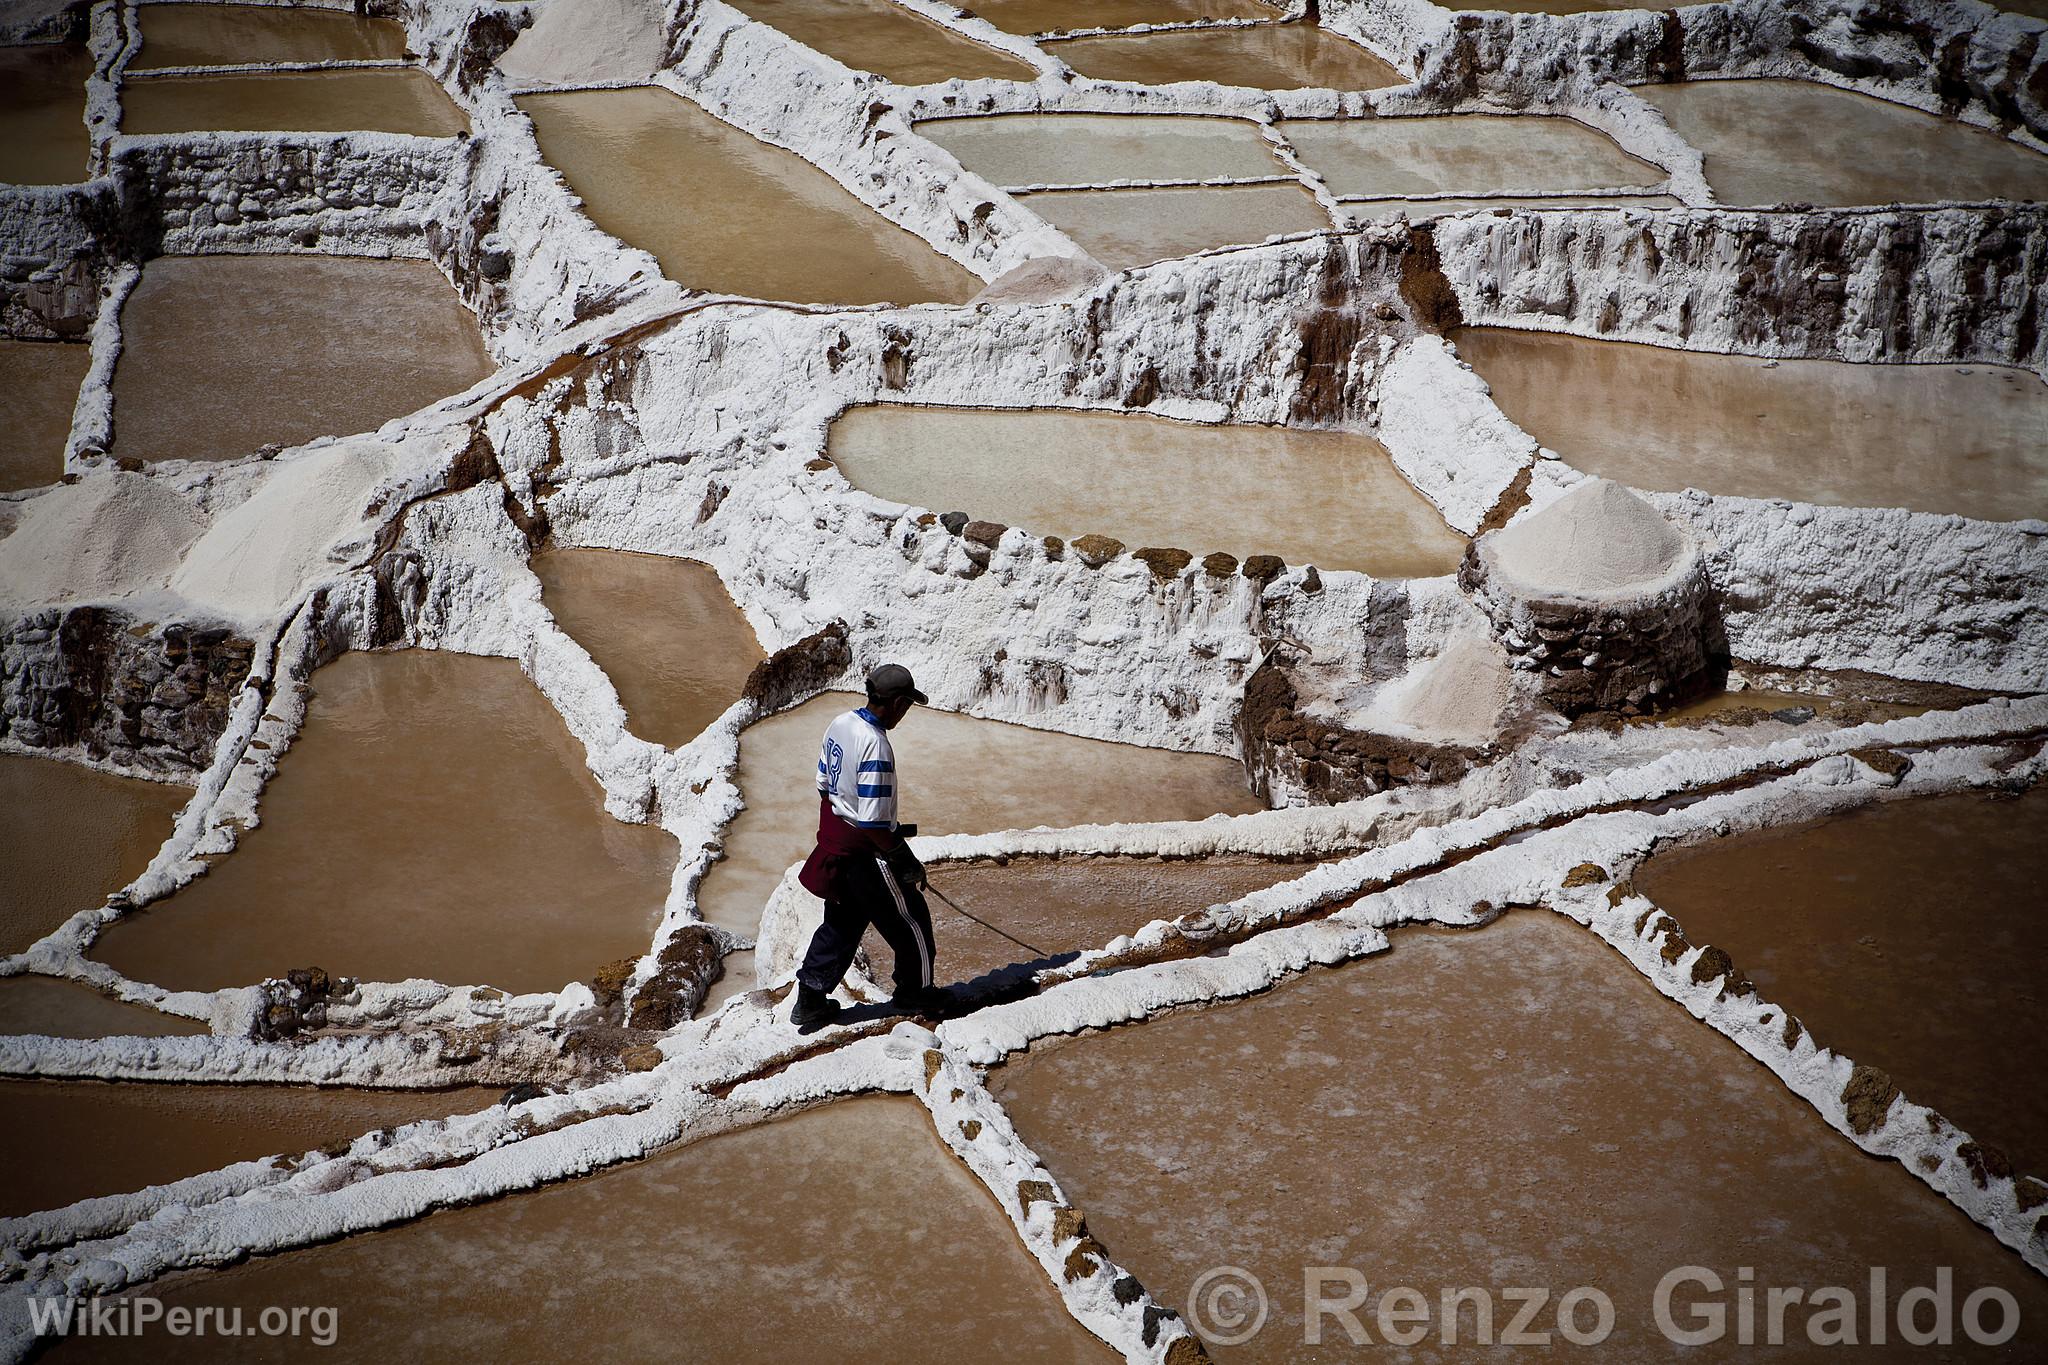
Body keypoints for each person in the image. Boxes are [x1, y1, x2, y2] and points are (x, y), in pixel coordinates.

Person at [789, 664, 944, 1030]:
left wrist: (846, 810)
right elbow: (873, 821)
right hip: (866, 854)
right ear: (896, 703)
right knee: (912, 924)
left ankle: (810, 999)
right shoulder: (876, 745)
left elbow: (823, 784)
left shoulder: (841, 723)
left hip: (837, 846)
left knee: (842, 923)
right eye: (906, 706)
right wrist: (903, 858)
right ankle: (915, 993)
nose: (904, 714)